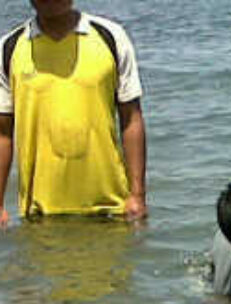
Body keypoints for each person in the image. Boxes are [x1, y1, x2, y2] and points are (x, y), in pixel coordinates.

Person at [0, 1, 147, 223]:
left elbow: (131, 119)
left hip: (111, 210)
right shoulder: (9, 48)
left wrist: (137, 195)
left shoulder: (110, 37)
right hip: (39, 216)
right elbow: (3, 134)